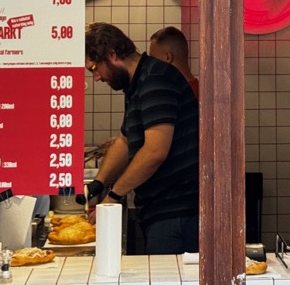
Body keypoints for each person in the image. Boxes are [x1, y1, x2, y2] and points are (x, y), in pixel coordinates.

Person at [78, 22, 199, 254]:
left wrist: (113, 196)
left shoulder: (156, 80)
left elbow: (154, 152)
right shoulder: (138, 82)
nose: (96, 77)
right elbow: (125, 140)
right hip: (160, 211)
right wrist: (98, 183)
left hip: (177, 213)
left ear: (112, 54)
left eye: (94, 68)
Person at [149, 26, 199, 98]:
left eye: (153, 58)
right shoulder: (201, 91)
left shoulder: (172, 96)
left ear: (168, 57)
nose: (151, 63)